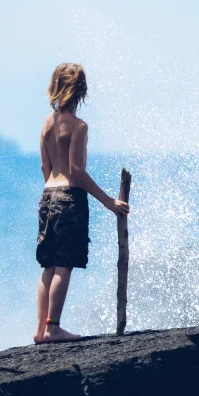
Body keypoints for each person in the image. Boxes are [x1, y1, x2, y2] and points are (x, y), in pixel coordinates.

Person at [34, 63, 130, 344]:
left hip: (47, 195)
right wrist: (109, 202)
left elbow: (44, 166)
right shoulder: (79, 126)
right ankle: (53, 328)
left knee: (48, 267)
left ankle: (40, 330)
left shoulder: (46, 124)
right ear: (80, 91)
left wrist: (51, 189)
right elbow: (76, 171)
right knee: (64, 266)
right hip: (68, 199)